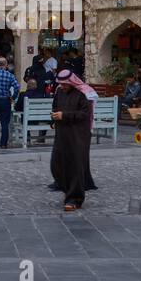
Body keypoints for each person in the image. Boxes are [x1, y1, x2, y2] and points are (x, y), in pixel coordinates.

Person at [50, 69, 93, 211]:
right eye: (60, 84)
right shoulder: (59, 92)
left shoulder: (82, 93)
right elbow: (55, 106)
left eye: (65, 84)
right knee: (57, 164)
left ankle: (75, 199)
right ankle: (67, 191)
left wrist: (64, 115)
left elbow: (85, 114)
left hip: (78, 136)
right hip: (62, 134)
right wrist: (53, 117)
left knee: (75, 166)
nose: (62, 86)